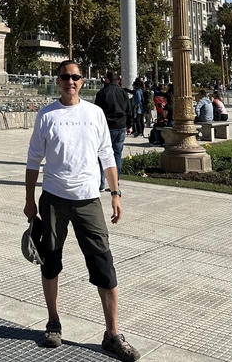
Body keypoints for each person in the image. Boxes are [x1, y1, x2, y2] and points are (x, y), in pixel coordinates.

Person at [24, 60, 140, 362]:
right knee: (50, 261)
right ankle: (53, 322)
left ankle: (112, 334)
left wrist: (115, 193)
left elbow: (107, 155)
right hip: (53, 199)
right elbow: (34, 159)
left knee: (103, 264)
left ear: (83, 80)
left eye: (75, 77)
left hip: (89, 200)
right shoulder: (47, 115)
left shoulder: (94, 113)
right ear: (57, 80)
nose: (70, 81)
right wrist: (29, 199)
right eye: (65, 76)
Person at [94, 70, 133, 191]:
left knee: (102, 155)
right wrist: (129, 125)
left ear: (108, 79)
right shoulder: (123, 93)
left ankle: (101, 183)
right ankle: (115, 182)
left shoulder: (102, 92)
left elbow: (97, 112)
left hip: (107, 127)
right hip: (121, 126)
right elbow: (129, 110)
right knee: (117, 154)